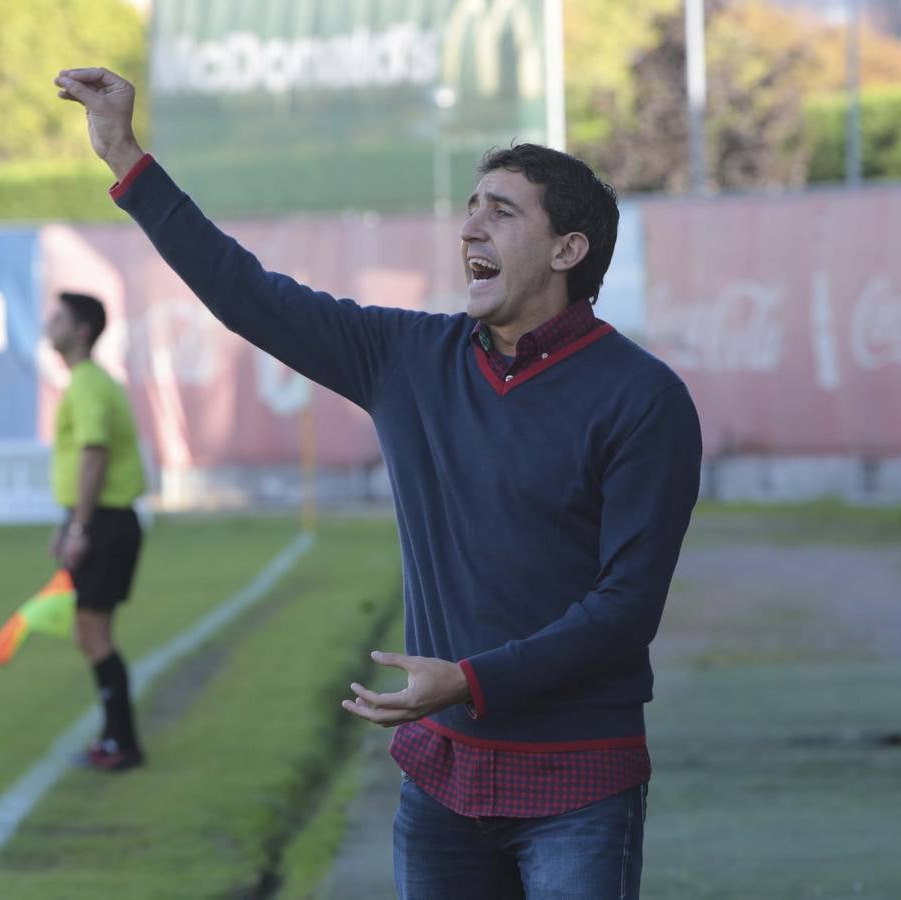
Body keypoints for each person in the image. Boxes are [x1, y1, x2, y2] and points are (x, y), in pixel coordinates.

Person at [55, 67, 702, 896]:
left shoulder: (642, 397)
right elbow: (246, 294)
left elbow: (625, 610)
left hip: (577, 782)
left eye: (500, 212)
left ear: (567, 250)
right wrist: (125, 157)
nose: (471, 226)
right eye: (470, 208)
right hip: (439, 778)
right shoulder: (405, 357)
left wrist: (469, 681)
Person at [46, 290, 147, 773]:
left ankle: (121, 743)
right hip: (101, 520)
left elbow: (94, 454)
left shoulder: (87, 383)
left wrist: (79, 526)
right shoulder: (88, 381)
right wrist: (69, 523)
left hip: (105, 522)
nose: (51, 324)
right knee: (91, 634)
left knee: (95, 635)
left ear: (81, 330)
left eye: (59, 318)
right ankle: (114, 738)